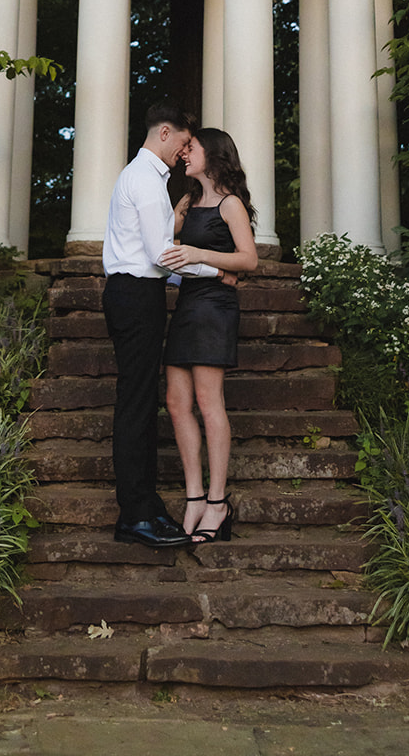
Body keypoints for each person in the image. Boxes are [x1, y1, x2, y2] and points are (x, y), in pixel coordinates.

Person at [101, 100, 228, 550]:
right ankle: (135, 515)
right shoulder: (146, 180)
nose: (185, 150)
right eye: (184, 141)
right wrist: (218, 272)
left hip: (137, 293)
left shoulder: (141, 176)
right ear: (164, 133)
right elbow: (163, 254)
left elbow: (157, 257)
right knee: (135, 404)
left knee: (140, 401)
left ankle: (147, 505)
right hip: (135, 296)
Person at [159, 127, 258, 543]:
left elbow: (249, 259)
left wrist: (201, 254)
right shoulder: (187, 200)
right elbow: (165, 244)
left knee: (207, 400)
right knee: (176, 402)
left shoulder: (230, 203)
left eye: (191, 148)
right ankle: (194, 497)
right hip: (187, 304)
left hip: (216, 308)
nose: (184, 154)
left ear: (213, 155)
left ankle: (219, 503)